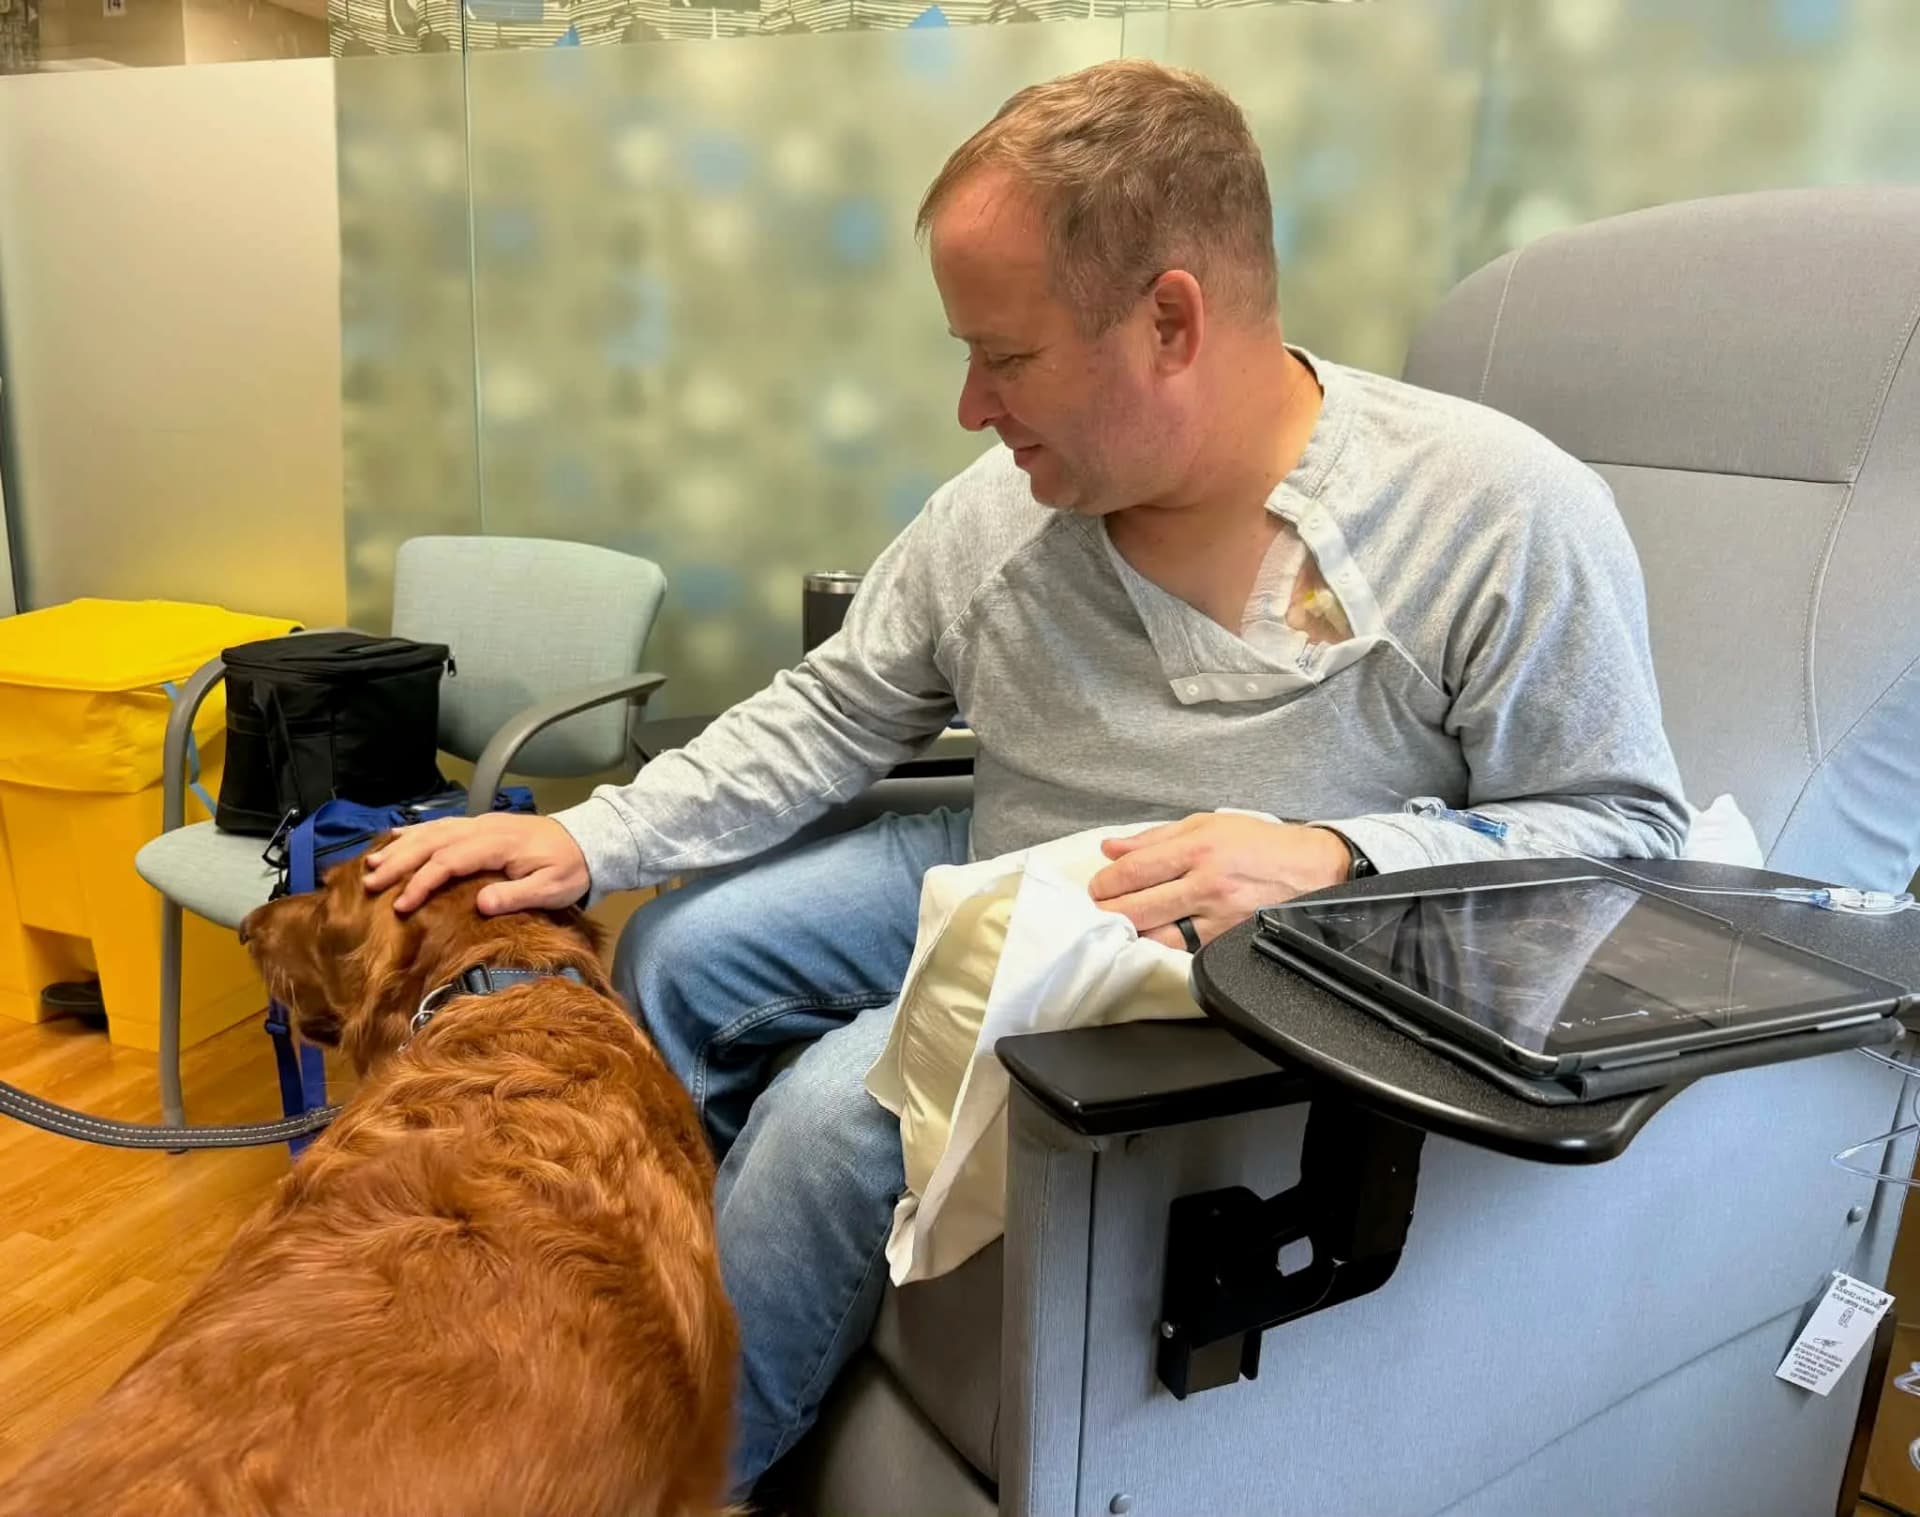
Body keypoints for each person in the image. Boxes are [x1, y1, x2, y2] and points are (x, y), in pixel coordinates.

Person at [364, 59, 1687, 1496]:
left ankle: (680, 1472)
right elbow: (831, 711)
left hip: (1216, 952)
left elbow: (1625, 833)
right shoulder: (998, 516)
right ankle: (607, 1328)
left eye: (1007, 355)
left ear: (1170, 319)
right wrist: (596, 836)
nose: (968, 404)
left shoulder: (1494, 513)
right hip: (1007, 855)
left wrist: (1340, 859)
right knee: (680, 954)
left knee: (822, 1120)